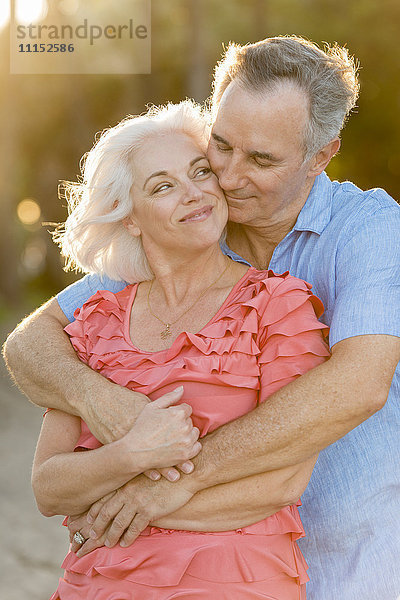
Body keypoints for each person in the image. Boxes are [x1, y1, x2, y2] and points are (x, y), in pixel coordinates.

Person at [3, 35, 400, 600]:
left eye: (261, 160)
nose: (230, 177)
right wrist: (110, 407)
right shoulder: (193, 230)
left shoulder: (369, 230)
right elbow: (29, 345)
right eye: (221, 146)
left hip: (353, 563)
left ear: (321, 156)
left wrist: (157, 491)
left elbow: (360, 384)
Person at [31, 100, 329, 599]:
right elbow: (48, 488)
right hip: (98, 584)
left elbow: (283, 482)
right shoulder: (95, 325)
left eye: (200, 173)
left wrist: (135, 500)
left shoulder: (278, 307)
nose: (195, 194)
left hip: (232, 581)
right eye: (163, 186)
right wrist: (129, 454)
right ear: (130, 218)